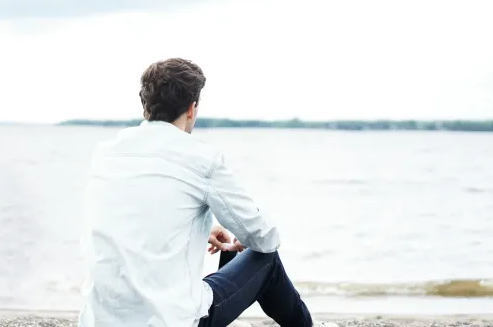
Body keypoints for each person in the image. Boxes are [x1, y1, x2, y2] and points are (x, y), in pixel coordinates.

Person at [78, 58, 337, 327]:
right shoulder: (201, 158)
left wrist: (199, 230)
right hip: (171, 321)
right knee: (267, 260)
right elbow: (264, 238)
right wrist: (244, 235)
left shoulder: (106, 153)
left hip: (100, 320)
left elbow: (130, 220)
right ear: (192, 108)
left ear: (145, 105)